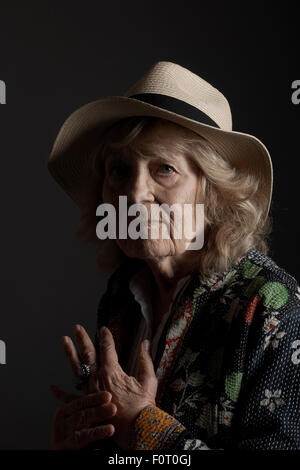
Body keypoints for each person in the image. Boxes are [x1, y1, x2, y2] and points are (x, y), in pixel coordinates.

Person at [47, 61, 300, 450]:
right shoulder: (122, 296)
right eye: (119, 170)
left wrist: (146, 427)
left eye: (164, 169)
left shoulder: (270, 305)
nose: (134, 193)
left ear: (212, 193)